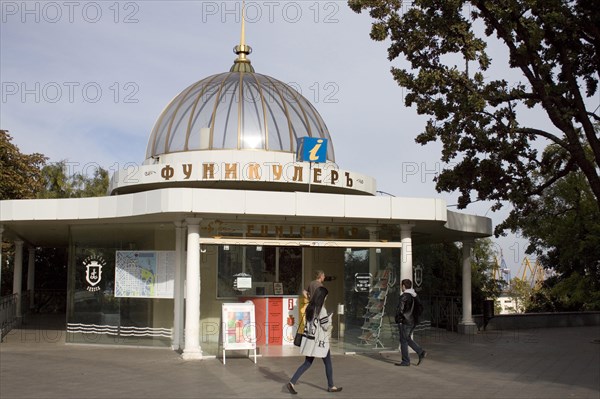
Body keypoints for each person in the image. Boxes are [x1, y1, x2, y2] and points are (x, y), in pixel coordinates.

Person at [287, 286, 342, 394]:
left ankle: (292, 382)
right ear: (323, 297)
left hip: (310, 341)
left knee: (307, 363)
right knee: (328, 363)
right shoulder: (322, 310)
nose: (326, 298)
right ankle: (331, 386)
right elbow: (325, 326)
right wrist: (330, 317)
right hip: (320, 342)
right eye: (326, 296)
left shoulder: (310, 307)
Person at [394, 279, 427, 366]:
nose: (401, 287)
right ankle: (420, 352)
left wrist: (398, 320)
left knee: (403, 340)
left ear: (404, 286)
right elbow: (420, 308)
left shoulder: (404, 296)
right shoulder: (415, 296)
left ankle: (406, 361)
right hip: (413, 321)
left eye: (401, 285)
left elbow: (400, 311)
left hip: (404, 321)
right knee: (407, 338)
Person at [298, 270, 326, 334]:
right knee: (317, 324)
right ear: (320, 276)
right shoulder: (320, 285)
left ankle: (309, 337)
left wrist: (308, 298)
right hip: (318, 307)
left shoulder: (311, 283)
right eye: (323, 276)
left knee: (310, 323)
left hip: (311, 306)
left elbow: (304, 292)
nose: (324, 277)